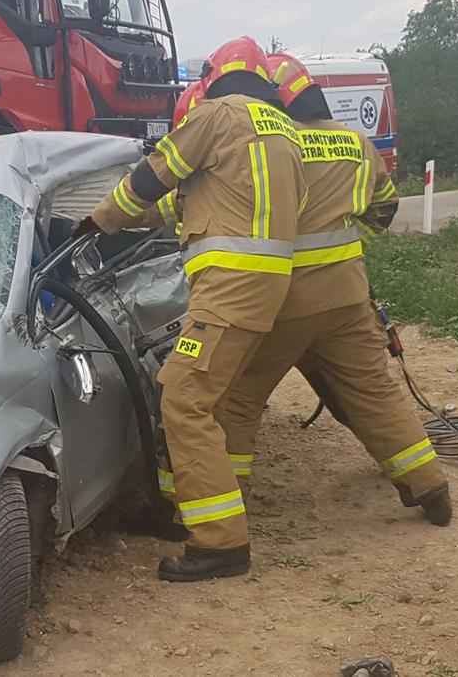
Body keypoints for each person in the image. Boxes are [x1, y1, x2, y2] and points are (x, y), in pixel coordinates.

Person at [80, 37, 305, 582]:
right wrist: (128, 220)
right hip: (266, 285)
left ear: (212, 78)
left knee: (182, 398)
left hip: (230, 288)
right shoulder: (279, 130)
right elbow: (171, 204)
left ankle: (221, 543)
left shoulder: (220, 115)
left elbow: (153, 177)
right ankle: (177, 510)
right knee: (204, 396)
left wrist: (96, 220)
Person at [207, 52, 450, 525]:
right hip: (346, 299)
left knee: (238, 398)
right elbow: (384, 208)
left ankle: (226, 504)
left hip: (278, 302)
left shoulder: (272, 144)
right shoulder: (355, 143)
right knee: (375, 391)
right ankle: (430, 486)